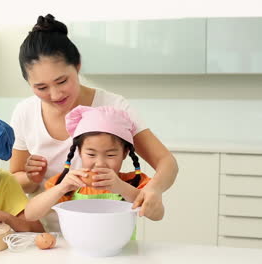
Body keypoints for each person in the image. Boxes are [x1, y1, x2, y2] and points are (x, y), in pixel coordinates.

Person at [10, 14, 178, 220]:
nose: (55, 95)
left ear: (78, 65)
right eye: (41, 87)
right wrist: (30, 178)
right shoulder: (25, 112)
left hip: (104, 227)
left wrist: (153, 190)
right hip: (44, 232)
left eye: (62, 81)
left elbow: (166, 162)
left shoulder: (114, 107)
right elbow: (16, 180)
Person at [24, 106, 165, 230]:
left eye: (110, 155)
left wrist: (120, 187)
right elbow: (30, 214)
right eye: (91, 154)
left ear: (124, 153)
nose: (100, 163)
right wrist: (61, 188)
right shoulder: (68, 183)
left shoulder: (134, 181)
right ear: (79, 152)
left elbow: (157, 215)